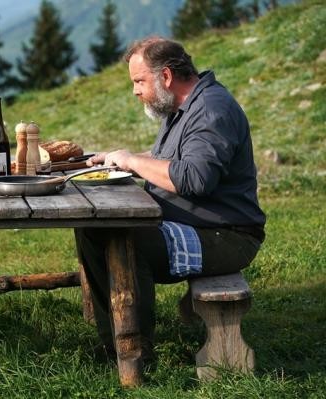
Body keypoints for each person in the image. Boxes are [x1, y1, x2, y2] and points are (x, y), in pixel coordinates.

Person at [75, 36, 266, 363]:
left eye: (139, 81)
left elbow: (194, 179)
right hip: (196, 225)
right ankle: (114, 342)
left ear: (165, 76)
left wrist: (134, 162)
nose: (135, 91)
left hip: (227, 235)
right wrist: (122, 158)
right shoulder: (182, 108)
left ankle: (134, 350)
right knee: (93, 227)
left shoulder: (210, 111)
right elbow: (171, 158)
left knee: (127, 238)